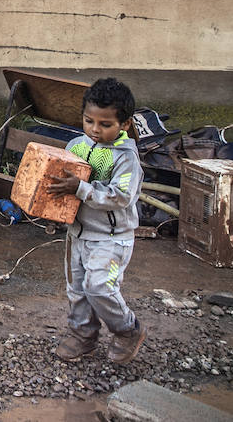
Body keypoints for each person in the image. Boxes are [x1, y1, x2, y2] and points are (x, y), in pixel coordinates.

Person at [46, 77, 145, 364]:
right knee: (77, 289)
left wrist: (80, 188)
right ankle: (82, 336)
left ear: (124, 124)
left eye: (105, 124)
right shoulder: (77, 144)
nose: (95, 130)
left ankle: (127, 329)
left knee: (99, 286)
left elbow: (121, 196)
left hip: (111, 238)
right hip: (77, 232)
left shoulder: (126, 157)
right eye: (89, 121)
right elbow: (63, 179)